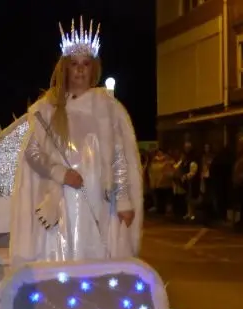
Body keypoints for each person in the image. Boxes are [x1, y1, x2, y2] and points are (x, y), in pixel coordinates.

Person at [9, 17, 143, 266]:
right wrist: (60, 173)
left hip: (98, 201)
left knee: (97, 257)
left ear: (94, 68)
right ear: (64, 68)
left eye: (85, 64)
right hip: (62, 202)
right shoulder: (47, 109)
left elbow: (118, 157)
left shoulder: (108, 108)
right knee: (63, 258)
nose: (80, 69)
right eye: (74, 64)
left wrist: (124, 199)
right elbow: (33, 153)